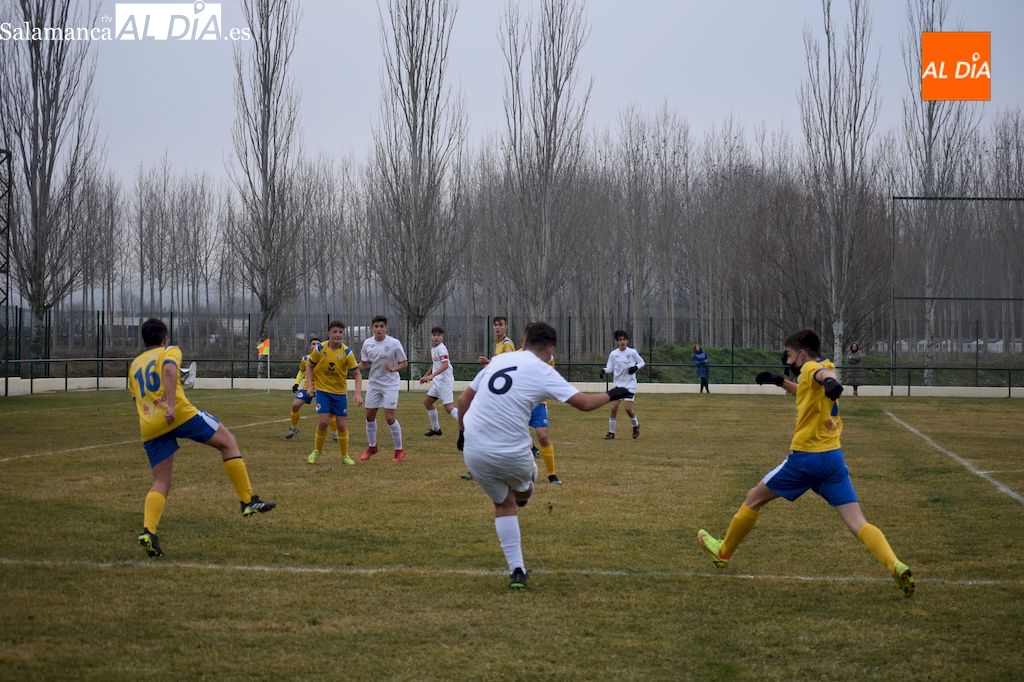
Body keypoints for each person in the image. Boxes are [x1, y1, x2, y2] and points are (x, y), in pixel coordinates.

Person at [697, 329, 914, 597]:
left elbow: (823, 377)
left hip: (805, 460)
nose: (787, 360)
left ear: (801, 352)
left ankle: (723, 553)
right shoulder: (823, 366)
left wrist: (831, 382)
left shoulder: (813, 368)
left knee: (753, 498)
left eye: (789, 354)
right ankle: (895, 565)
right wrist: (780, 381)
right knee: (858, 523)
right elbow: (810, 388)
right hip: (833, 460)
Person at [457, 321, 632, 590]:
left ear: (524, 341)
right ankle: (525, 493)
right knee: (524, 489)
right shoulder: (542, 369)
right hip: (513, 452)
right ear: (550, 349)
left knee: (503, 505)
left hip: (474, 449)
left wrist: (461, 433)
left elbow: (463, 401)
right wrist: (612, 393)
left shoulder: (497, 361)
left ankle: (517, 570)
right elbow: (583, 404)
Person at [129, 318, 275, 558]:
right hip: (178, 415)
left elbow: (136, 399)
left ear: (144, 341)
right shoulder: (170, 350)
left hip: (150, 425)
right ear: (165, 337)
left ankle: (149, 531)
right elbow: (168, 369)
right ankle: (247, 500)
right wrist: (170, 405)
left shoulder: (135, 364)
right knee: (228, 442)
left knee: (161, 481)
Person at [462, 316, 517, 480]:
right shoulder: (499, 344)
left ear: (506, 326)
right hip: (495, 391)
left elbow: (509, 366)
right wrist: (488, 363)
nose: (497, 328)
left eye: (501, 325)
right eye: (495, 325)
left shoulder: (507, 344)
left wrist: (488, 362)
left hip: (502, 393)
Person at [305, 321, 363, 465]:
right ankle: (316, 452)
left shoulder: (347, 352)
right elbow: (309, 367)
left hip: (339, 393)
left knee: (342, 425)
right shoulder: (320, 348)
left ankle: (345, 456)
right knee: (323, 422)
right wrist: (310, 387)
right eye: (335, 332)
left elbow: (357, 374)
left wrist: (357, 393)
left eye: (340, 332)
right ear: (329, 334)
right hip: (323, 391)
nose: (337, 335)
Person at [358, 316, 409, 462]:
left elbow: (404, 363)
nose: (379, 329)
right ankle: (372, 447)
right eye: (376, 326)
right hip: (374, 383)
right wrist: (351, 369)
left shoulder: (394, 343)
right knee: (369, 416)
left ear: (386, 328)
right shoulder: (367, 343)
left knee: (389, 417)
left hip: (390, 384)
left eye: (381, 326)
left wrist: (394, 368)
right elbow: (363, 363)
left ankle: (399, 450)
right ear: (372, 328)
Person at [285, 337, 337, 441]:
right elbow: (301, 371)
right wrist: (296, 383)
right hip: (307, 387)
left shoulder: (326, 358)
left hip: (322, 387)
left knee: (329, 412)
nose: (315, 345)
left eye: (318, 344)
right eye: (313, 344)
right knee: (295, 405)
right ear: (310, 346)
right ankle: (293, 428)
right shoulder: (305, 359)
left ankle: (335, 433)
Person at [601, 330, 646, 439]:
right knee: (614, 407)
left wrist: (636, 367)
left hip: (630, 385)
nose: (622, 342)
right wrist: (603, 371)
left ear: (627, 340)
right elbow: (610, 368)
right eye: (620, 340)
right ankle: (611, 433)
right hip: (618, 385)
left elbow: (642, 362)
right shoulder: (613, 354)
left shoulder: (632, 352)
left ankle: (636, 425)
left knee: (627, 408)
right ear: (617, 341)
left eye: (624, 340)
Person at [421, 326, 459, 436]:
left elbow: (445, 365)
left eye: (439, 335)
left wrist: (431, 376)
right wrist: (426, 376)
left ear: (442, 337)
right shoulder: (433, 349)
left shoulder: (441, 348)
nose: (436, 337)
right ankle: (436, 429)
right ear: (431, 337)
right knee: (427, 402)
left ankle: (468, 424)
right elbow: (435, 364)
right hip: (438, 382)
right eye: (434, 335)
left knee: (448, 407)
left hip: (445, 382)